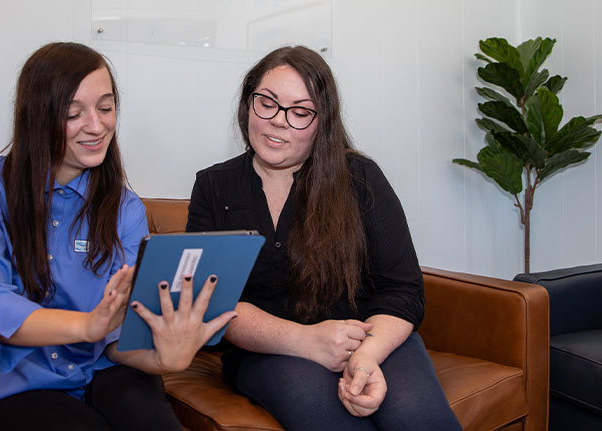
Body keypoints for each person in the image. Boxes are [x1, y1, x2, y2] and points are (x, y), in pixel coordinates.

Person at [0, 42, 235, 431]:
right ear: (36, 117)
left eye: (105, 108)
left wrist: (164, 360)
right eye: (73, 113)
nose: (97, 125)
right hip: (21, 386)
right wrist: (86, 326)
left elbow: (120, 337)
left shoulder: (125, 208)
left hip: (109, 370)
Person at [186, 46, 462, 430]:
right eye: (267, 103)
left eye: (300, 112)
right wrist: (306, 341)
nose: (279, 121)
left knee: (417, 417)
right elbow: (211, 302)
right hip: (270, 351)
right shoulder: (214, 187)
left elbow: (403, 290)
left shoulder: (360, 179)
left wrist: (365, 357)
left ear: (322, 122)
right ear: (248, 104)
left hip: (369, 334)